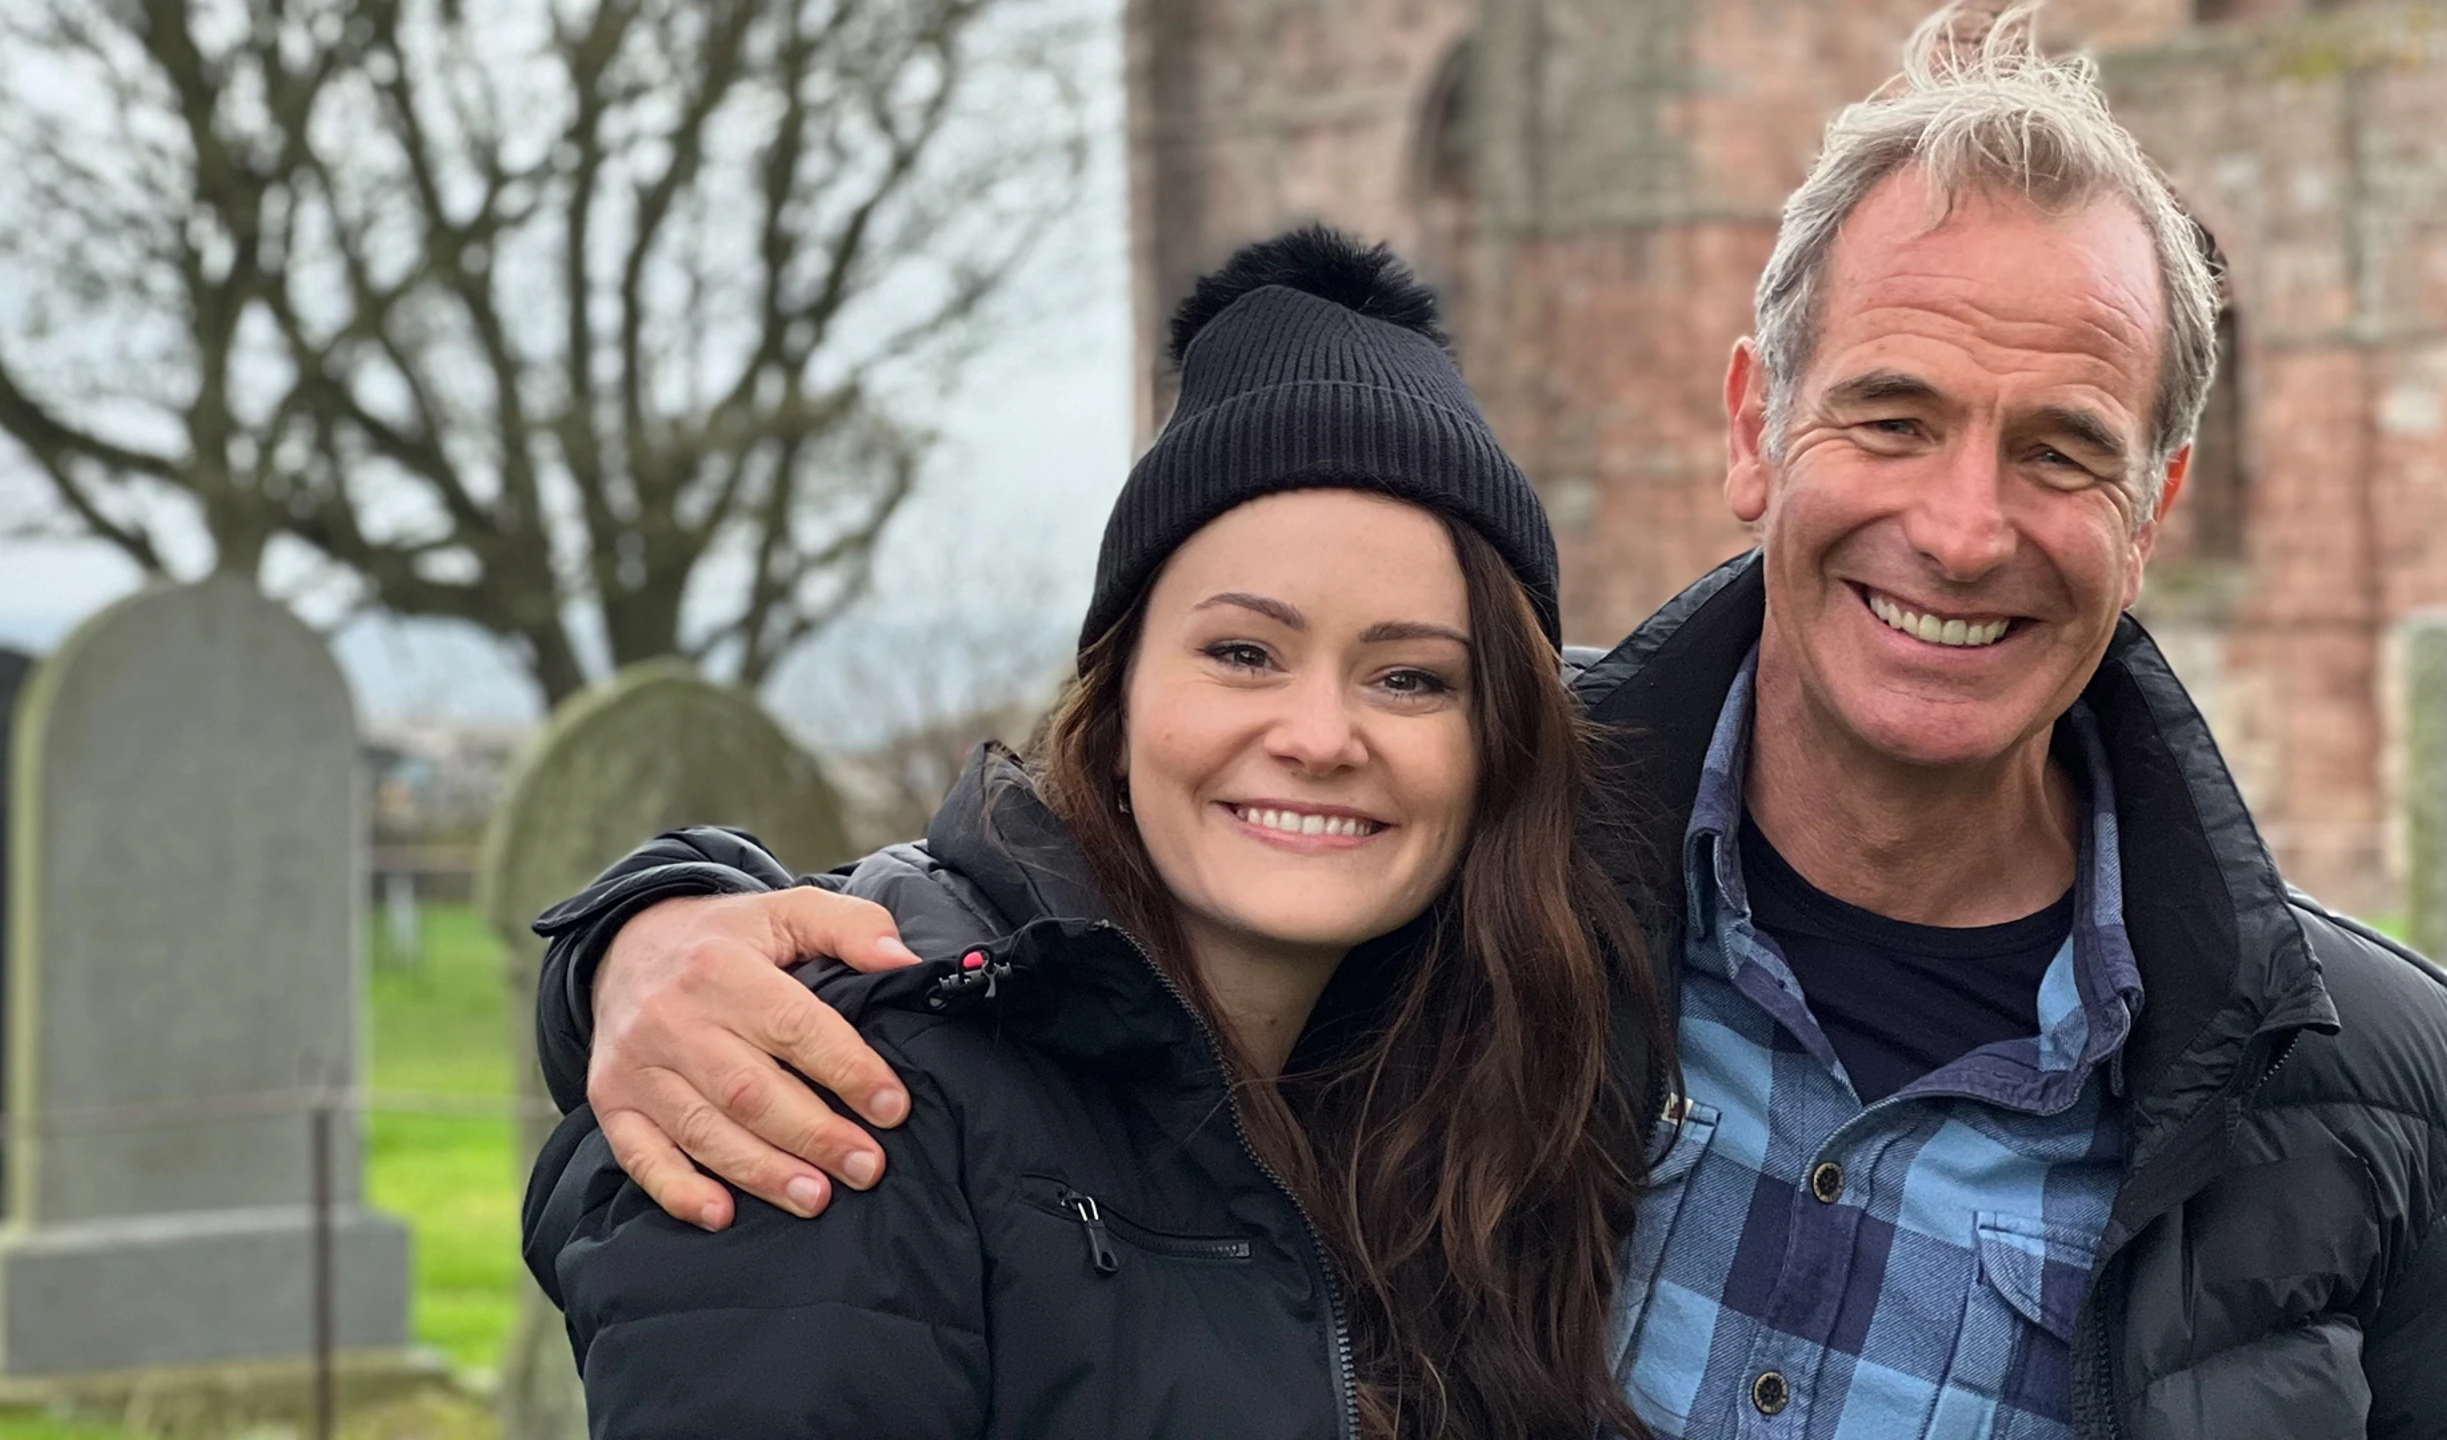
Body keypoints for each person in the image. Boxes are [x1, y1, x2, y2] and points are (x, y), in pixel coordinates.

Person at [532, 6, 2447, 1436]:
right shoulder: (1457, 848)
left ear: (2156, 501)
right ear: (1753, 430)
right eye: (1889, 415)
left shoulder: (2396, 1107)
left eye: (2059, 449)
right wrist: (652, 940)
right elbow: (1044, 953)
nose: (1958, 526)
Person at [525, 227, 1659, 1440]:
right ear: (1115, 705)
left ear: (1499, 748)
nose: (1320, 735)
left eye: (1411, 678)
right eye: (1244, 653)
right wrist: (633, 927)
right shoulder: (844, 1098)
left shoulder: (1473, 1107)